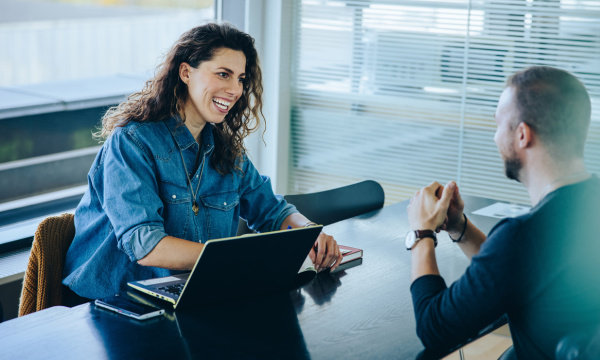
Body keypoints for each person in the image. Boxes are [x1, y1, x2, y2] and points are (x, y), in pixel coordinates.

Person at [62, 23, 342, 302]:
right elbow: (145, 245)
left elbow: (273, 212)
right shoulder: (133, 142)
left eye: (241, 79)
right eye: (223, 74)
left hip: (190, 292)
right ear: (186, 72)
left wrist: (309, 233)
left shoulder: (226, 150)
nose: (235, 90)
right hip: (110, 302)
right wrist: (233, 260)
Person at [405, 66, 600, 359]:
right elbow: (518, 269)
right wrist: (459, 227)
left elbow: (435, 329)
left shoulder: (525, 235)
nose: (495, 137)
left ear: (522, 135)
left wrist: (421, 234)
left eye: (498, 124)